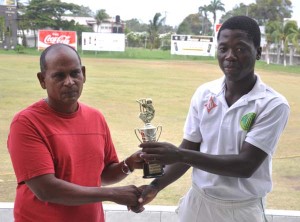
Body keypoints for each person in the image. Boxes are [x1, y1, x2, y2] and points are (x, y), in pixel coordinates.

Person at [137, 16, 290, 222]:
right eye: (223, 48)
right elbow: (190, 148)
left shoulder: (272, 104)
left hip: (241, 209)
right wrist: (154, 186)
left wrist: (180, 154)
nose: (230, 56)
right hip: (198, 202)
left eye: (240, 48)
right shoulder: (205, 93)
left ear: (258, 52)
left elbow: (245, 166)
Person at [7, 43, 144, 222]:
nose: (69, 82)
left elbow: (103, 175)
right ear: (42, 80)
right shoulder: (26, 123)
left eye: (75, 73)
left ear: (84, 74)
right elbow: (46, 189)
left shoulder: (95, 117)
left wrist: (130, 163)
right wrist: (112, 194)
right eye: (59, 76)